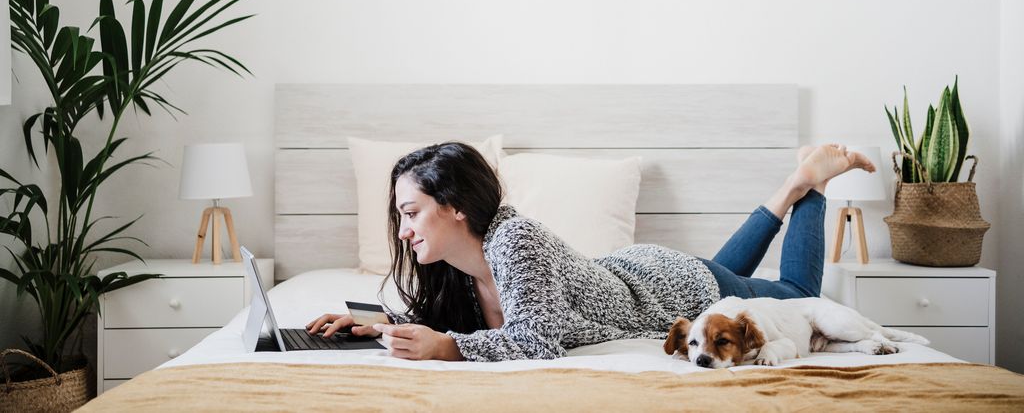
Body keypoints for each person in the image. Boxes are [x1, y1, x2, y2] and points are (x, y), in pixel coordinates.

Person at [306, 142, 875, 362]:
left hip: (669, 286)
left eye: (411, 214)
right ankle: (787, 189)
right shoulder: (457, 265)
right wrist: (377, 324)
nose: (404, 232)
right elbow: (458, 323)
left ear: (456, 206)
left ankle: (814, 186)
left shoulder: (513, 239)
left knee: (797, 298)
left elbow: (537, 341)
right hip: (639, 272)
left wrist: (448, 348)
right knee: (729, 273)